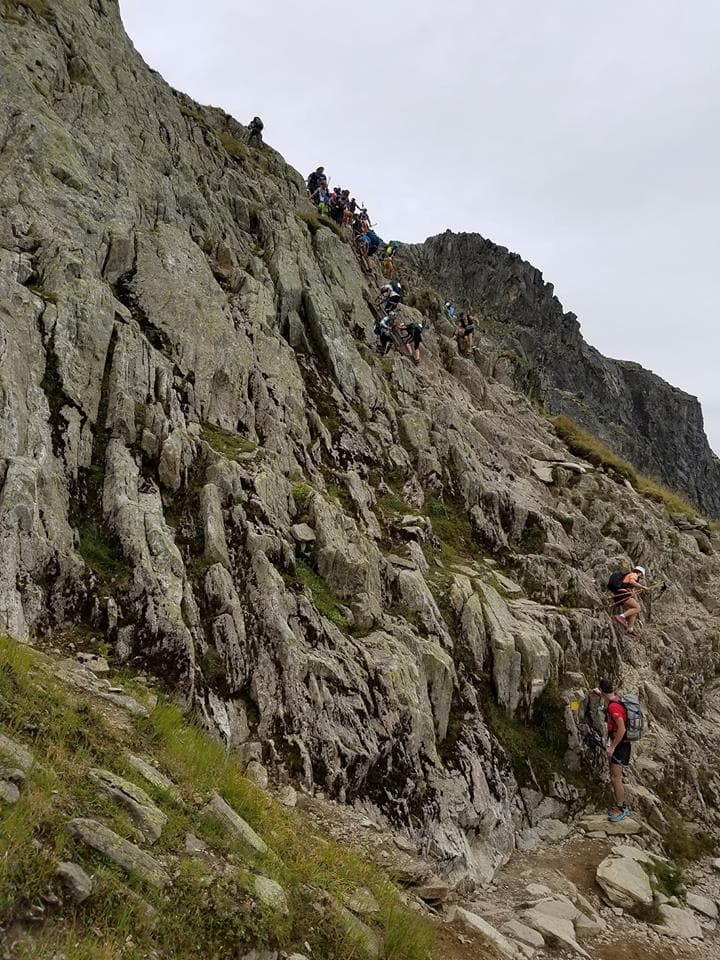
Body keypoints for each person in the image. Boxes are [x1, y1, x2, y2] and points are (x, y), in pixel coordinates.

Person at [592, 679, 631, 822]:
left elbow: (622, 728)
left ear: (602, 690)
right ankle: (621, 805)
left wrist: (612, 746)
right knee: (616, 777)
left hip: (620, 745)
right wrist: (600, 694)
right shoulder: (616, 700)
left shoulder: (614, 708)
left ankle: (621, 807)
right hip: (623, 744)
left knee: (616, 778)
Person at [608, 565, 647, 637]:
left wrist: (638, 590)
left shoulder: (628, 576)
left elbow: (630, 590)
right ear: (640, 573)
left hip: (620, 594)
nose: (640, 577)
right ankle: (621, 616)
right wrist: (642, 586)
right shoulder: (634, 574)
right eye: (641, 575)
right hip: (622, 593)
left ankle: (630, 630)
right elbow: (632, 582)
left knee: (633, 612)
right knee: (638, 608)